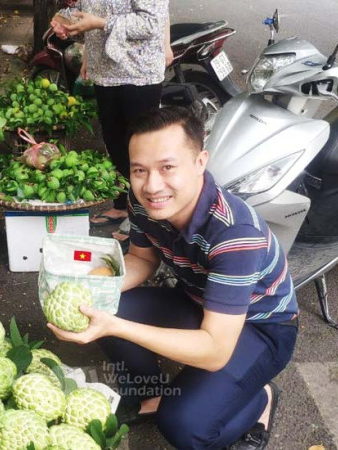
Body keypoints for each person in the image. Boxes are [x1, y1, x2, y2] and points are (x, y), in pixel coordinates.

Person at [48, 107, 299, 450]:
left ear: (199, 162)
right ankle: (152, 393)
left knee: (185, 426)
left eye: (167, 167)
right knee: (106, 303)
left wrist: (114, 326)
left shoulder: (235, 234)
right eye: (140, 170)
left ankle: (260, 399)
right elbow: (141, 259)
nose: (152, 186)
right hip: (197, 300)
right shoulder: (144, 202)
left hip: (261, 327)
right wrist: (90, 290)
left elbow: (215, 351)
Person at [51, 1, 173, 230]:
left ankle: (144, 220)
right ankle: (122, 205)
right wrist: (72, 28)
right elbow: (93, 15)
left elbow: (151, 23)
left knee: (141, 151)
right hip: (105, 74)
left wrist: (100, 23)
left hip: (138, 73)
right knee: (114, 144)